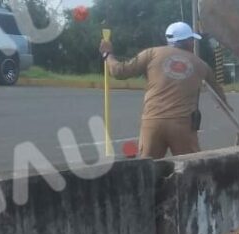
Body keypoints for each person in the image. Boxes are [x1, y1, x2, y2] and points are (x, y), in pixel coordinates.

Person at [99, 22, 231, 159]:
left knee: (148, 168)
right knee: (190, 168)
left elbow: (119, 71)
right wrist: (225, 104)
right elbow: (217, 90)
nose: (193, 43)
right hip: (182, 125)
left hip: (153, 122)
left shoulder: (151, 53)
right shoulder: (201, 65)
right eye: (191, 40)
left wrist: (107, 54)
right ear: (187, 41)